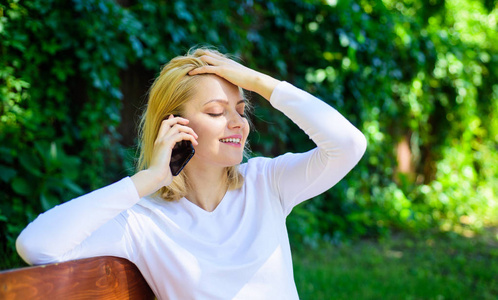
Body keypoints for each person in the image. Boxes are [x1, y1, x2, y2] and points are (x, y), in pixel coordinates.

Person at [16, 47, 367, 299]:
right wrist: (150, 178)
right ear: (175, 125)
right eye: (216, 112)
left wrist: (258, 81)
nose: (237, 123)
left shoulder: (266, 183)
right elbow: (37, 246)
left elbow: (348, 144)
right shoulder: (143, 222)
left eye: (241, 110)